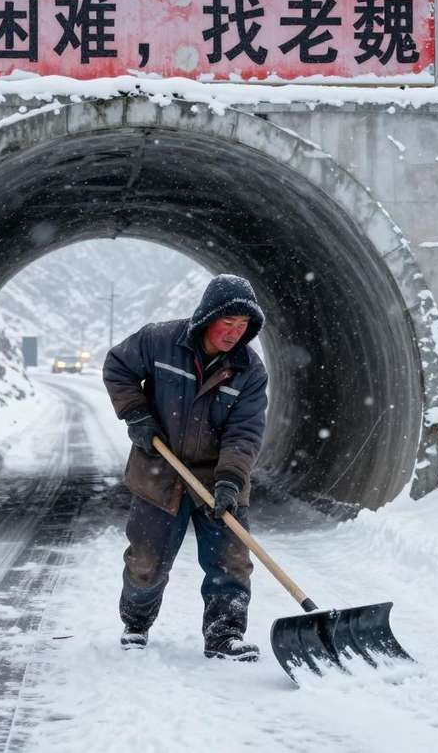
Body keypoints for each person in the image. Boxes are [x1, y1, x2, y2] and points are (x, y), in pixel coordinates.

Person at [103, 274, 269, 661]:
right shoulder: (160, 341)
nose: (234, 333)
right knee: (146, 561)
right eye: (227, 323)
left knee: (231, 561)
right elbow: (118, 367)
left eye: (242, 326)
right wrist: (136, 414)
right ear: (207, 317)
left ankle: (224, 636)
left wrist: (230, 480)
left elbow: (244, 433)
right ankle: (136, 624)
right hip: (159, 468)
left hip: (216, 475)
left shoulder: (249, 371)